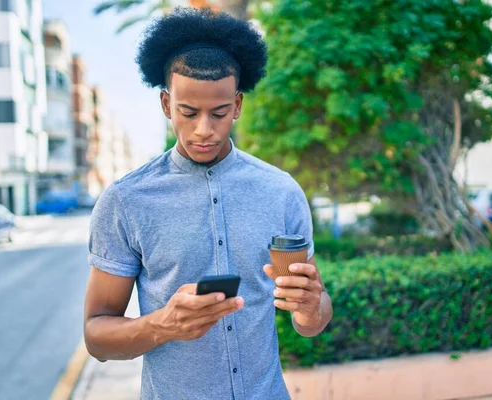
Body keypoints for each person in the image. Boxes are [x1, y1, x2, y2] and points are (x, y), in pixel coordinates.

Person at [84, 7, 332, 400]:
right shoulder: (126, 201)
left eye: (218, 113)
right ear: (167, 105)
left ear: (237, 106)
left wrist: (311, 306)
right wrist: (162, 325)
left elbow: (312, 320)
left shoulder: (281, 191)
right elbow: (96, 336)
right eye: (188, 112)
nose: (204, 130)